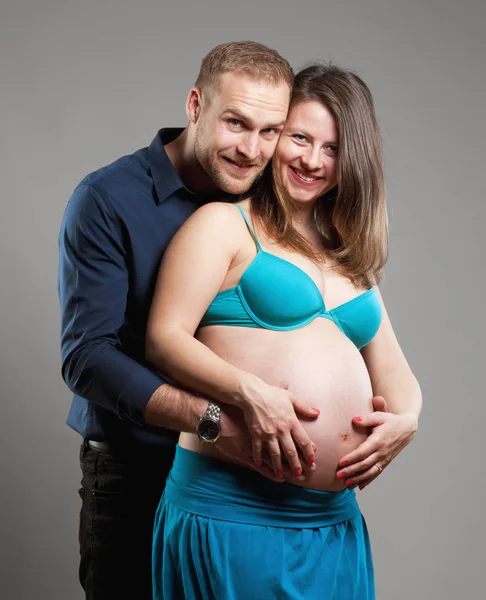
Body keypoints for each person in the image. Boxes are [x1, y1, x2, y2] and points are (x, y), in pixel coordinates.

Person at [146, 64, 422, 599]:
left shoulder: (350, 253)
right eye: (299, 137)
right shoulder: (224, 226)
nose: (312, 160)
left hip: (332, 523)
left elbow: (397, 372)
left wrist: (407, 420)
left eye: (333, 147)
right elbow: (165, 338)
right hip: (234, 512)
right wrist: (251, 394)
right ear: (275, 137)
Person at [57, 41, 306, 599]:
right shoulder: (107, 200)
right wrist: (215, 419)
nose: (252, 149)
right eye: (236, 123)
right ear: (195, 106)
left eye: (270, 131)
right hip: (136, 475)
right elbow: (87, 359)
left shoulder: (272, 202)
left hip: (244, 484)